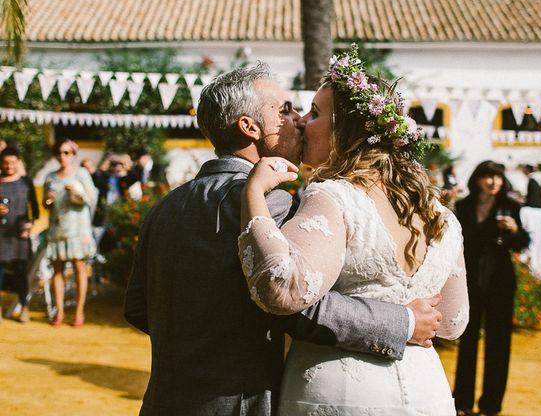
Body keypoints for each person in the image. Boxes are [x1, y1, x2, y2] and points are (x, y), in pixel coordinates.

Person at [124, 62, 444, 416]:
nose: (298, 120)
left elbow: (138, 308)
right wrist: (403, 322)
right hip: (241, 403)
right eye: (285, 110)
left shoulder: (164, 207)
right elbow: (301, 305)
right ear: (250, 127)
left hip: (164, 403)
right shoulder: (268, 200)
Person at [238, 46, 469, 415]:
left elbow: (283, 290)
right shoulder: (441, 214)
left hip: (342, 395)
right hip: (426, 391)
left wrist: (253, 195)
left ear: (344, 131)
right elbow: (454, 322)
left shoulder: (333, 196)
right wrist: (406, 318)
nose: (300, 122)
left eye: (315, 113)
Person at [452, 160, 530, 416]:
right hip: (470, 280)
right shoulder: (464, 206)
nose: (494, 182)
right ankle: (462, 402)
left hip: (500, 280)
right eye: (489, 177)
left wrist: (515, 229)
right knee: (468, 342)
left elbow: (521, 243)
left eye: (498, 177)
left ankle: (490, 406)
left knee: (498, 344)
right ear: (478, 179)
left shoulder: (510, 206)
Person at [43, 138, 98, 327]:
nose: (62, 156)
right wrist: (47, 199)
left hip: (78, 229)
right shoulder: (50, 177)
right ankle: (59, 311)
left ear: (73, 154)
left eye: (66, 152)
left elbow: (91, 198)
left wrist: (76, 192)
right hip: (58, 228)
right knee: (57, 270)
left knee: (79, 268)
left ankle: (79, 312)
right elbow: (45, 205)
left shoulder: (81, 174)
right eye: (59, 152)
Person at [0, 146, 39, 323]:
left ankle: (24, 307)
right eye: (6, 163)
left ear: (18, 162)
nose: (9, 166)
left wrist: (29, 225)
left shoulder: (26, 182)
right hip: (1, 234)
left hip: (19, 235)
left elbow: (35, 210)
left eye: (12, 163)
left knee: (20, 273)